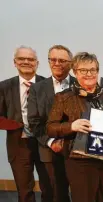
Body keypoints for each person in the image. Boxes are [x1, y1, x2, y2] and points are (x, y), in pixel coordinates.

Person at [46, 52, 103, 202]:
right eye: (83, 70)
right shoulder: (64, 97)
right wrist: (71, 126)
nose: (89, 74)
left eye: (93, 70)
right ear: (75, 72)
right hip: (80, 161)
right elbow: (50, 127)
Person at [0, 46, 49, 202]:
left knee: (49, 187)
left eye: (31, 59)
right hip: (18, 144)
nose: (26, 62)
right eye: (21, 59)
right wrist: (17, 126)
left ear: (37, 63)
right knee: (24, 190)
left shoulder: (48, 85)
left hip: (45, 143)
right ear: (15, 62)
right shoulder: (3, 87)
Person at [28, 45, 75, 202]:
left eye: (61, 60)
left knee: (81, 194)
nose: (56, 63)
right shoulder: (37, 89)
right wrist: (51, 141)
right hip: (49, 151)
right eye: (52, 59)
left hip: (77, 151)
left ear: (71, 62)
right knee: (53, 195)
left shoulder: (79, 85)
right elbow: (34, 122)